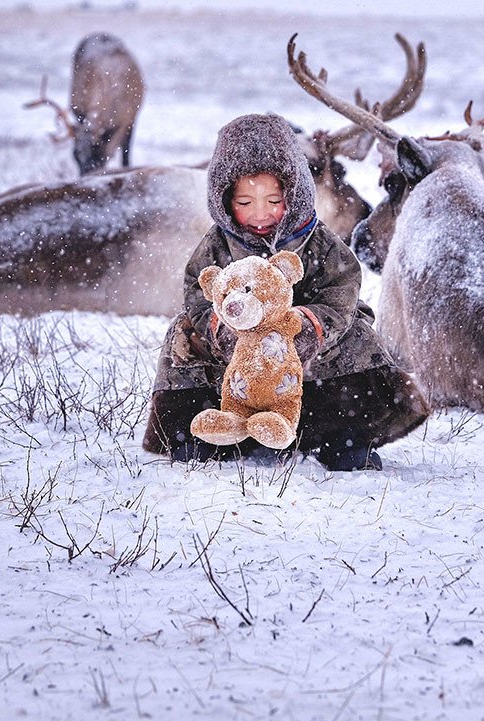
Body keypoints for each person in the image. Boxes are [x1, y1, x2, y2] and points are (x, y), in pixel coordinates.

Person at [141, 113, 429, 470]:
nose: (260, 214)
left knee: (356, 334)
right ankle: (198, 432)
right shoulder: (217, 245)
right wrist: (222, 330)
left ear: (293, 194)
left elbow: (343, 290)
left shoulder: (317, 241)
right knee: (183, 336)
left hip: (306, 350)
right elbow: (198, 293)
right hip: (237, 359)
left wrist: (310, 327)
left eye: (273, 201)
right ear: (224, 200)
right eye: (244, 203)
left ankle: (343, 436)